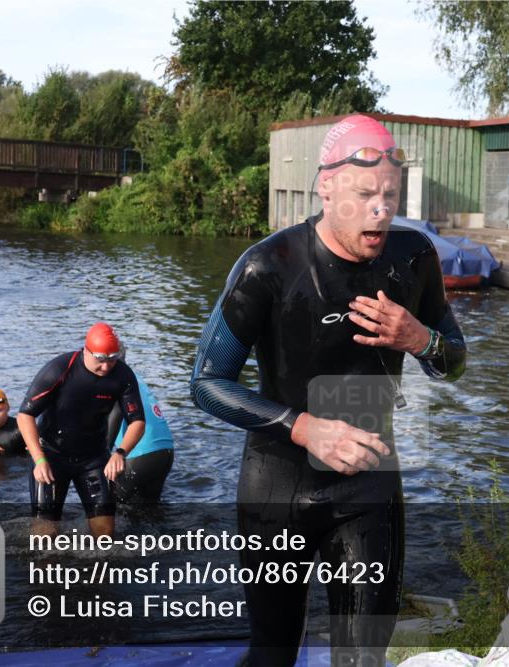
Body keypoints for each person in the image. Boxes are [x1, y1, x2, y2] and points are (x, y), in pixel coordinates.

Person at [190, 114, 466, 666]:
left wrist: (420, 339)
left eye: (390, 195)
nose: (381, 210)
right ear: (327, 187)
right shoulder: (268, 266)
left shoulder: (414, 258)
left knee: (363, 659)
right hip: (277, 486)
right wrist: (304, 427)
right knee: (273, 656)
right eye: (365, 194)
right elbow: (206, 383)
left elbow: (453, 363)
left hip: (369, 487)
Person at [17, 323, 145, 538]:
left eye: (112, 359)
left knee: (105, 535)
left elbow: (137, 421)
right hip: (51, 456)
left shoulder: (123, 375)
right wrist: (38, 459)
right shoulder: (60, 369)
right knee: (45, 535)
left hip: (94, 458)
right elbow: (25, 415)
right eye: (100, 359)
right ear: (86, 351)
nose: (106, 367)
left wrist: (120, 452)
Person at [105, 347, 174, 503]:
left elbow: (116, 413)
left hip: (141, 454)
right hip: (166, 451)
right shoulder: (134, 377)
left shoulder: (114, 379)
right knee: (149, 508)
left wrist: (104, 453)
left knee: (110, 505)